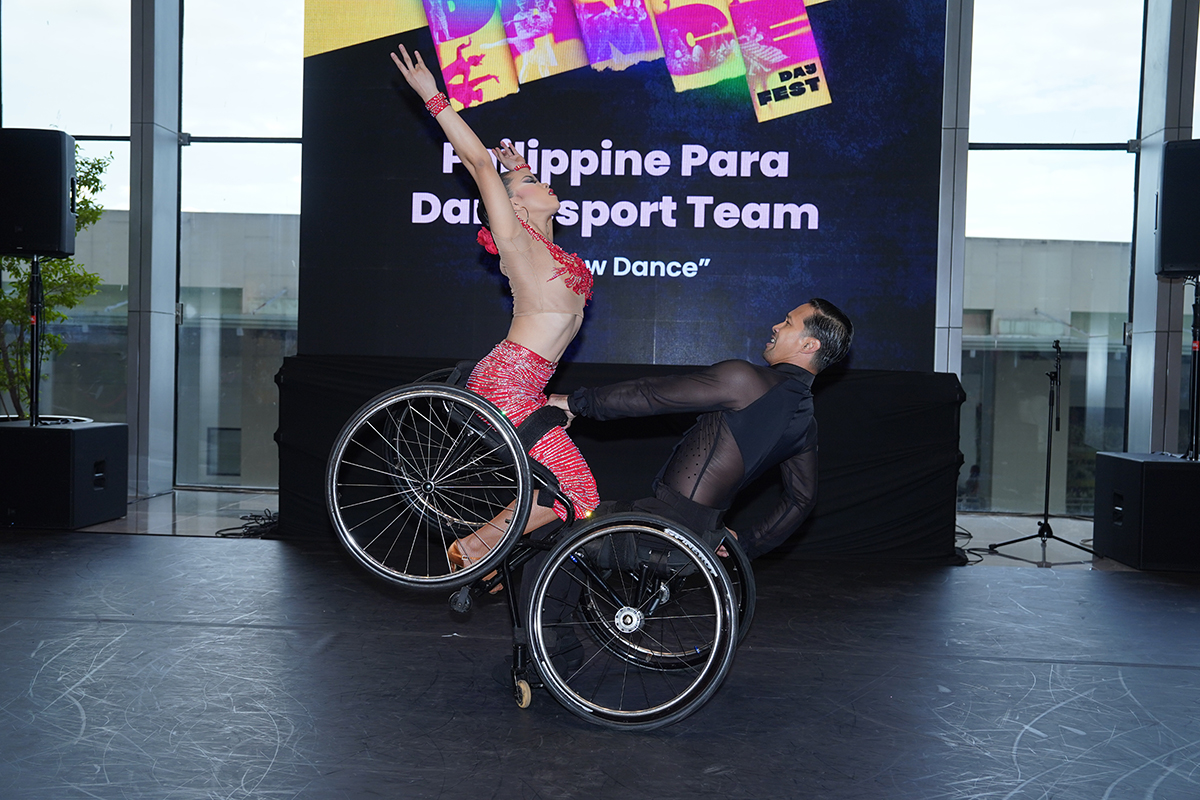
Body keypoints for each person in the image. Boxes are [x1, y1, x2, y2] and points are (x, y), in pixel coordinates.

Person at [390, 45, 599, 569]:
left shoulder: (551, 250)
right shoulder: (515, 241)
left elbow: (514, 184)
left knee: (568, 493)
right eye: (532, 182)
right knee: (580, 493)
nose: (544, 181)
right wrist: (432, 97)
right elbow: (479, 163)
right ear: (513, 204)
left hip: (529, 385)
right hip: (505, 383)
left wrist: (520, 169)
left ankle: (480, 553)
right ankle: (478, 549)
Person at [549, 299, 852, 559]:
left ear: (809, 345)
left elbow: (650, 395)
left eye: (787, 323)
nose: (776, 326)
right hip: (701, 538)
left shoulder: (747, 382)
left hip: (661, 527)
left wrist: (576, 403)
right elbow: (802, 499)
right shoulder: (805, 423)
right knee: (566, 514)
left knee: (550, 519)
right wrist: (747, 543)